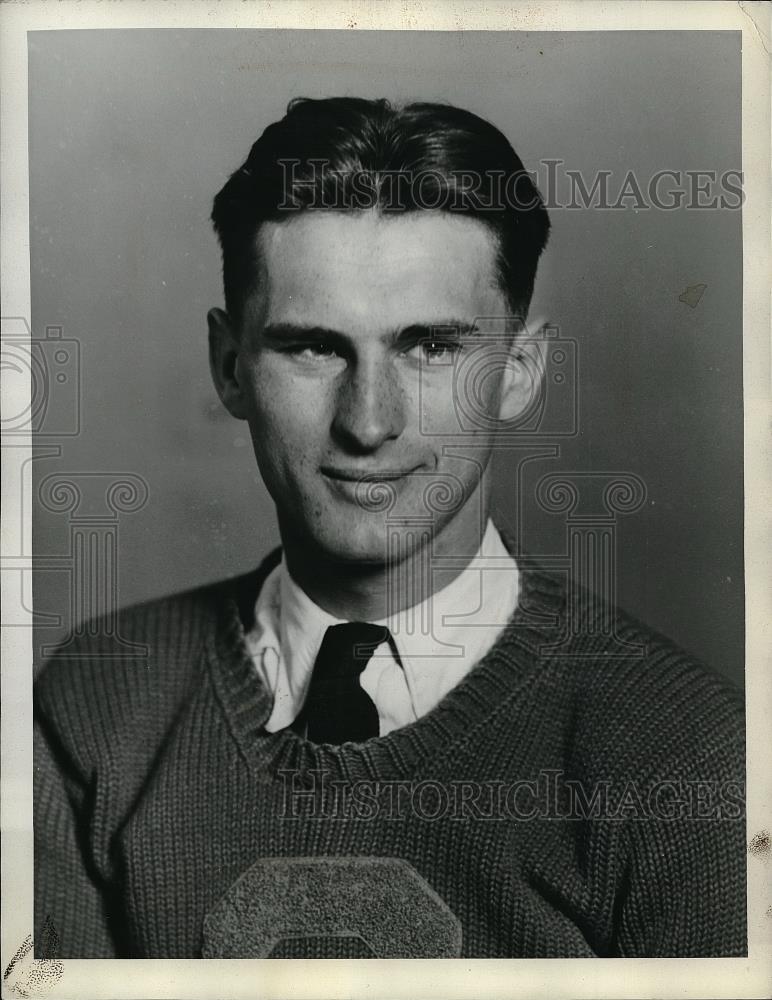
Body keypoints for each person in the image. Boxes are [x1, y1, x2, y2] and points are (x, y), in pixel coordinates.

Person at [34, 97, 746, 959]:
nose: (368, 423)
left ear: (518, 373)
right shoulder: (94, 705)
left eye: (432, 348)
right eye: (313, 348)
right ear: (230, 367)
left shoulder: (691, 756)